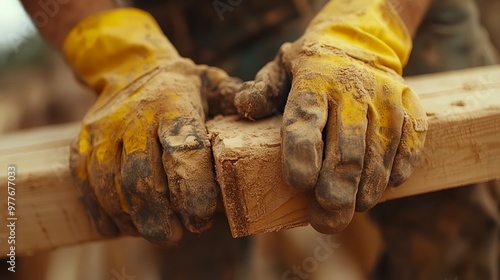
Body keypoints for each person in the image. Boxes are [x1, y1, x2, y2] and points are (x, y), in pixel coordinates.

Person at [19, 0, 499, 279]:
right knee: (187, 229)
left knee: (455, 232)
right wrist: (121, 55)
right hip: (179, 24)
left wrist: (366, 31)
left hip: (398, 13)